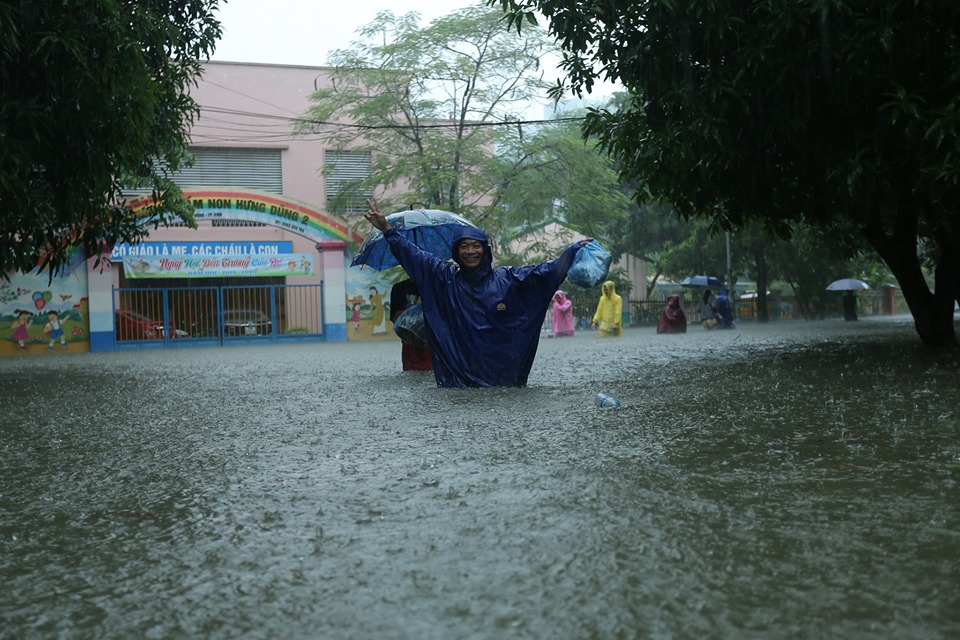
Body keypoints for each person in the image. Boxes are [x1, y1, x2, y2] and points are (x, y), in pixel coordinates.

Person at [364, 197, 591, 388]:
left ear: (485, 249)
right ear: (456, 251)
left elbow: (542, 273)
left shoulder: (506, 279)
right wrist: (387, 230)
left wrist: (571, 253)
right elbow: (415, 257)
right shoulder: (444, 278)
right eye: (464, 246)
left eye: (476, 245)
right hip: (459, 379)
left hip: (499, 374)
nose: (470, 251)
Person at [389, 278, 432, 371]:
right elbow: (395, 318)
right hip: (410, 344)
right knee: (411, 376)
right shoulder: (399, 288)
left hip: (435, 345)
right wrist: (416, 306)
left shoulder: (436, 286)